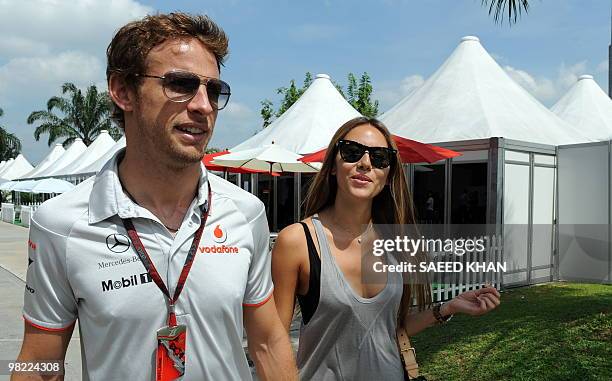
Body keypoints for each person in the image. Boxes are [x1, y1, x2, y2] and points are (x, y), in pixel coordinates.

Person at [14, 13, 297, 381]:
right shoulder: (60, 224)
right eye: (181, 84)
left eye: (213, 90)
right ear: (122, 91)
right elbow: (39, 364)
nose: (204, 106)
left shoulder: (246, 213)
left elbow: (268, 342)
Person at [271, 116, 501, 380]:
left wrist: (448, 308)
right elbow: (272, 343)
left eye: (380, 158)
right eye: (352, 152)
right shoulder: (298, 241)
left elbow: (389, 328)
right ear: (333, 165)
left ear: (389, 174)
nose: (365, 164)